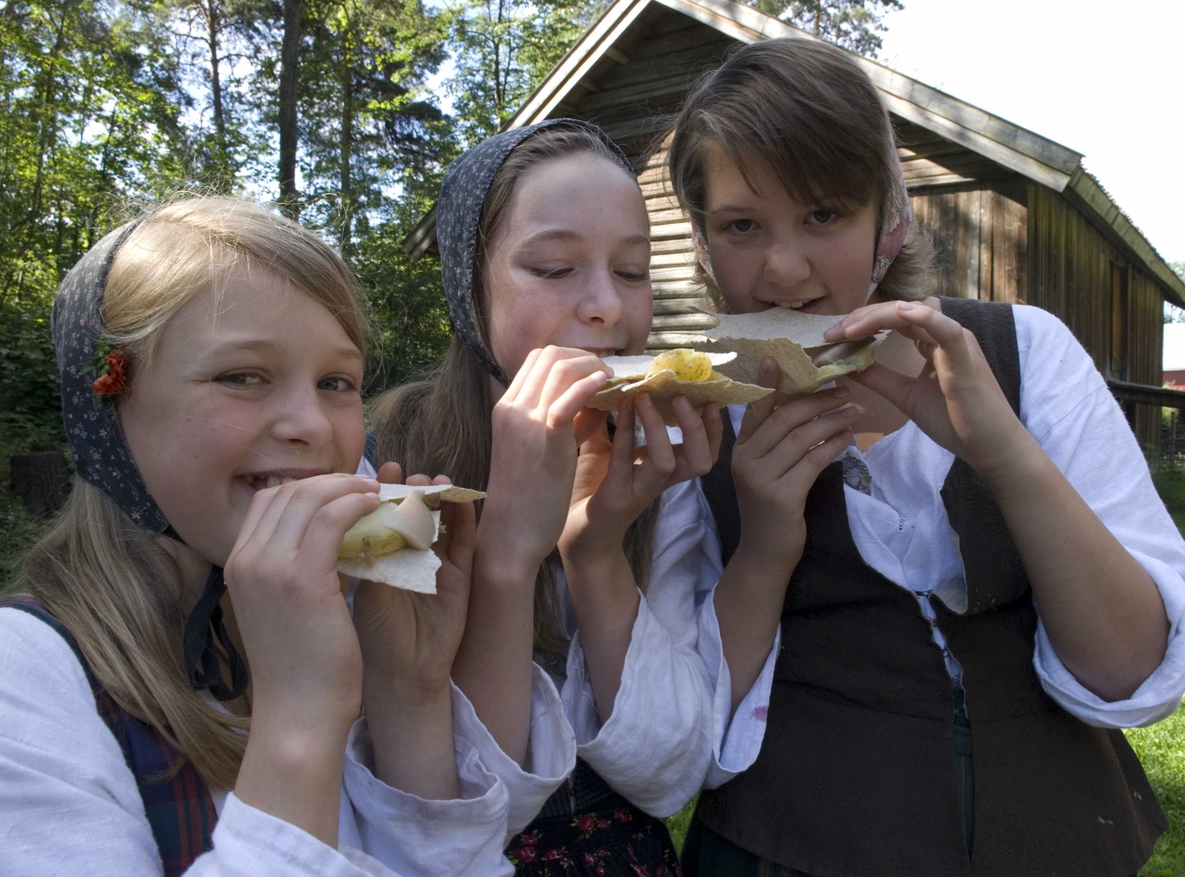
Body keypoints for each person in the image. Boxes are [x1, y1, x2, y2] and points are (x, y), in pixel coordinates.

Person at [667, 37, 1185, 877]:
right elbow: (679, 729)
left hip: (1059, 842)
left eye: (824, 214)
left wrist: (1007, 457)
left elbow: (1128, 674)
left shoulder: (1026, 352)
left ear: (888, 221)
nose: (783, 267)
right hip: (782, 849)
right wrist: (765, 543)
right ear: (702, 239)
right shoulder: (694, 413)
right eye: (741, 225)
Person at [0, 197, 533, 876]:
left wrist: (408, 691)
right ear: (107, 408)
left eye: (337, 381)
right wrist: (301, 718)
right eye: (242, 376)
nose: (311, 423)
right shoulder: (12, 683)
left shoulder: (342, 619)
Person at [370, 119, 779, 875]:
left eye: (632, 271)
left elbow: (669, 773)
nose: (606, 308)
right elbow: (461, 813)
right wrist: (511, 551)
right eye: (555, 268)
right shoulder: (391, 467)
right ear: (469, 289)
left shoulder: (654, 471)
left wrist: (595, 554)